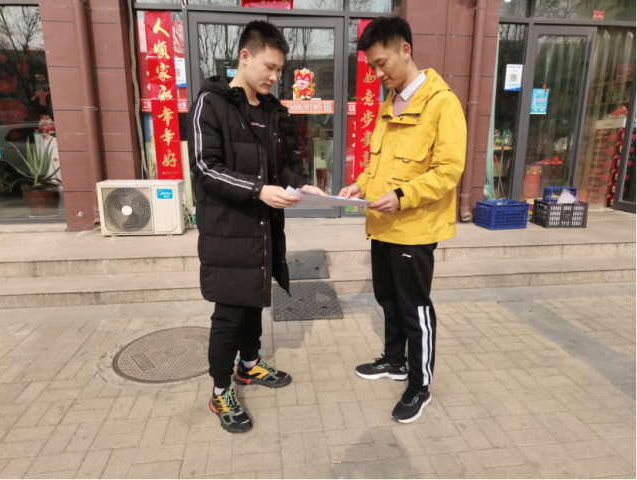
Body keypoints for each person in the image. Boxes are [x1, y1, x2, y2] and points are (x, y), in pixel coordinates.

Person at [188, 21, 325, 434]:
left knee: (254, 302)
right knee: (230, 314)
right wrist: (258, 190)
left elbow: (282, 166)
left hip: (263, 229)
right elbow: (205, 167)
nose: (274, 76)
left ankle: (249, 364)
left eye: (279, 69)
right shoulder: (210, 104)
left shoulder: (271, 110)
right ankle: (220, 390)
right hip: (228, 230)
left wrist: (301, 184)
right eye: (269, 66)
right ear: (244, 56)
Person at [340, 16, 466, 424]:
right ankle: (394, 360)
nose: (378, 74)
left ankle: (419, 384)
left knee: (415, 308)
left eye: (382, 64)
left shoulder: (441, 103)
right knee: (388, 299)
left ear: (405, 50)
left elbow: (448, 171)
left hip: (414, 228)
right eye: (372, 67)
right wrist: (359, 185)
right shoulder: (389, 104)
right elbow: (379, 164)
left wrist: (401, 197)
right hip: (383, 225)